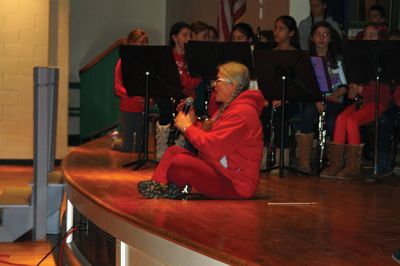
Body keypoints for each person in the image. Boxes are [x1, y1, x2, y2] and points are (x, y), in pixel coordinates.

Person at [138, 62, 265, 199]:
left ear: (232, 86)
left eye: (218, 81)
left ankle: (172, 188)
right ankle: (160, 185)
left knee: (181, 162)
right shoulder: (231, 108)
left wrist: (188, 127)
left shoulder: (242, 113)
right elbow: (211, 138)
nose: (214, 86)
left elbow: (212, 147)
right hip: (220, 171)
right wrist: (194, 123)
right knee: (173, 152)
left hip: (235, 183)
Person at [320, 23, 394, 179]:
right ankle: (336, 163)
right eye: (366, 34)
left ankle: (353, 167)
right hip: (362, 102)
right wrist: (354, 88)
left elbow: (386, 91)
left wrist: (361, 90)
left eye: (372, 35)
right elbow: (354, 83)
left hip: (378, 103)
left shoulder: (387, 60)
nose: (368, 38)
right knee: (341, 119)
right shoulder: (360, 59)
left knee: (352, 121)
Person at [296, 21, 347, 173]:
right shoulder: (306, 59)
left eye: (325, 35)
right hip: (314, 99)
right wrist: (317, 99)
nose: (321, 38)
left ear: (330, 38)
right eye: (318, 34)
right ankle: (304, 161)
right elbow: (304, 84)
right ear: (312, 38)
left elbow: (344, 85)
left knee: (332, 121)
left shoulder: (337, 59)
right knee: (307, 113)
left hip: (334, 99)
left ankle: (333, 162)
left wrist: (333, 96)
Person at [155, 22, 201, 161]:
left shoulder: (193, 57)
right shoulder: (167, 56)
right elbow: (162, 77)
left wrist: (183, 82)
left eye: (190, 35)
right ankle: (163, 147)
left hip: (187, 95)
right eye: (184, 35)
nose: (188, 38)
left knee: (184, 107)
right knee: (164, 103)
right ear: (175, 38)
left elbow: (196, 79)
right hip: (169, 93)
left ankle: (178, 147)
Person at [261, 15, 300, 171]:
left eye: (281, 28)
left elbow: (299, 83)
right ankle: (261, 159)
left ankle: (281, 161)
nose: (276, 32)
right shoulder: (270, 54)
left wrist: (285, 98)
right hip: (272, 98)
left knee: (279, 118)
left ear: (291, 33)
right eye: (275, 28)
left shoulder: (297, 55)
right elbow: (267, 81)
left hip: (291, 100)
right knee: (261, 116)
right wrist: (268, 97)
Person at [111, 29, 149, 152]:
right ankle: (115, 140)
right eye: (141, 42)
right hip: (128, 107)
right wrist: (134, 95)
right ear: (131, 43)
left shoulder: (147, 63)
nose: (144, 46)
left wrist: (150, 98)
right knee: (126, 147)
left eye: (146, 43)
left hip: (142, 108)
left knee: (139, 148)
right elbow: (117, 87)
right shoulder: (122, 62)